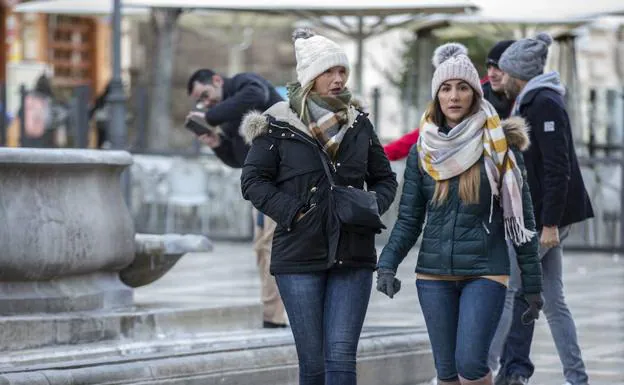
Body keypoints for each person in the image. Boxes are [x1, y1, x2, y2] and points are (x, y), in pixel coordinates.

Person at [375, 42, 544, 385]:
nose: (454, 96)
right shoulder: (422, 151)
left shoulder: (499, 146)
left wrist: (532, 285)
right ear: (437, 95)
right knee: (447, 373)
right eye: (446, 89)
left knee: (470, 365)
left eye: (463, 88)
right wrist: (387, 265)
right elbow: (409, 218)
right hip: (433, 275)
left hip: (485, 271)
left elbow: (522, 219)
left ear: (474, 95)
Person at [240, 28, 397, 385]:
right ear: (311, 77)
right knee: (313, 367)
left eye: (342, 71)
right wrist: (294, 212)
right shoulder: (278, 124)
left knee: (341, 360)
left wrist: (370, 205)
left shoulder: (359, 123)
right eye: (329, 71)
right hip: (298, 255)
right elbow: (252, 182)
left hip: (353, 253)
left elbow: (386, 179)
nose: (338, 78)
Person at [493, 32, 594, 385]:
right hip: (538, 219)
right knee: (553, 301)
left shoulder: (544, 103)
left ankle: (480, 372)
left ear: (517, 74)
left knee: (504, 290)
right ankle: (577, 378)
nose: (498, 78)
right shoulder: (530, 101)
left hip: (542, 221)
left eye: (503, 72)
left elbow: (557, 168)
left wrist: (549, 224)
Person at [186, 69, 287, 328]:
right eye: (201, 101)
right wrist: (216, 143)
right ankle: (273, 313)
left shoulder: (244, 84)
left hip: (284, 177)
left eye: (205, 95)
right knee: (262, 247)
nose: (206, 103)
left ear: (218, 81)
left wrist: (208, 116)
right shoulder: (230, 117)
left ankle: (273, 315)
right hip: (263, 184)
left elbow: (256, 94)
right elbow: (239, 159)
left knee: (269, 245)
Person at [382, 40, 515, 163]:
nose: (492, 73)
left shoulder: (528, 101)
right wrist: (382, 154)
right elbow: (425, 133)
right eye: (489, 67)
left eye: (498, 67)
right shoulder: (473, 97)